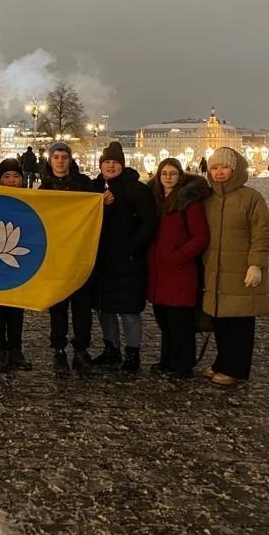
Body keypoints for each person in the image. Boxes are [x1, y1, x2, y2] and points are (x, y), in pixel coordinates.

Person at [202, 147, 269, 386]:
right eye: (214, 168)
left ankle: (236, 369)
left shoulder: (251, 198)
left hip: (241, 270)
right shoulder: (207, 198)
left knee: (240, 323)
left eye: (224, 167)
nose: (219, 172)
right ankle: (222, 362)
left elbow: (262, 234)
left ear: (235, 170)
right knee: (220, 321)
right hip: (215, 270)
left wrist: (256, 264)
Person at [89, 141, 158, 373]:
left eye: (115, 162)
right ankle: (111, 348)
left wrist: (133, 246)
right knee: (104, 307)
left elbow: (150, 222)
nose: (110, 166)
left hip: (129, 260)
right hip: (101, 260)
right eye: (106, 162)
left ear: (122, 165)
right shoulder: (95, 188)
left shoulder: (135, 188)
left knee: (129, 310)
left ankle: (132, 353)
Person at [146, 158, 210, 378]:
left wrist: (179, 255)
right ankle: (167, 360)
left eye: (172, 173)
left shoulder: (189, 203)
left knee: (180, 321)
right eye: (164, 173)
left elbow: (201, 237)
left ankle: (182, 364)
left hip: (180, 271)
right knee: (164, 320)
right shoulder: (155, 199)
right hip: (158, 271)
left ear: (180, 176)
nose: (168, 177)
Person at [38, 141, 97, 375]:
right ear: (50, 160)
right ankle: (59, 350)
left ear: (70, 160)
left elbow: (96, 209)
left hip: (81, 254)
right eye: (56, 157)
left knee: (82, 307)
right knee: (58, 308)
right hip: (56, 258)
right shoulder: (44, 190)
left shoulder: (84, 185)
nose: (60, 161)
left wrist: (102, 203)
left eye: (64, 157)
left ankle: (81, 349)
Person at [0, 157, 34, 372]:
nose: (12, 180)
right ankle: (0, 351)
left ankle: (16, 349)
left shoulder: (32, 200)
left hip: (19, 259)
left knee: (16, 308)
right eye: (7, 176)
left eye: (16, 176)